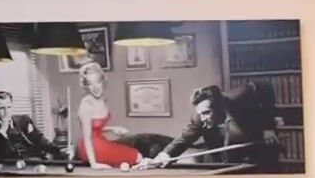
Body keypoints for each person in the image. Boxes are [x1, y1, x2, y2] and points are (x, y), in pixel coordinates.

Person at [144, 83, 278, 169]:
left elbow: (265, 87)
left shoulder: (238, 97)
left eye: (206, 113)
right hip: (228, 152)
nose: (203, 118)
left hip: (257, 143)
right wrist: (163, 155)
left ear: (219, 107)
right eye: (200, 114)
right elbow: (184, 139)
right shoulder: (199, 117)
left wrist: (268, 126)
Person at [74, 61, 142, 169]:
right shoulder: (86, 105)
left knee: (136, 157)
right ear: (86, 86)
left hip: (101, 142)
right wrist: (94, 164)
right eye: (90, 83)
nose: (95, 87)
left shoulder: (101, 100)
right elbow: (87, 137)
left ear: (103, 81)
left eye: (98, 82)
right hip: (91, 149)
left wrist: (113, 129)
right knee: (137, 157)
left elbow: (95, 128)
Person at [0, 91, 64, 161]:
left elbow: (40, 140)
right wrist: (2, 132)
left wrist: (59, 151)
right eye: (1, 108)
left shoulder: (24, 120)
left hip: (34, 163)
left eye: (9, 107)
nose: (7, 112)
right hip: (11, 168)